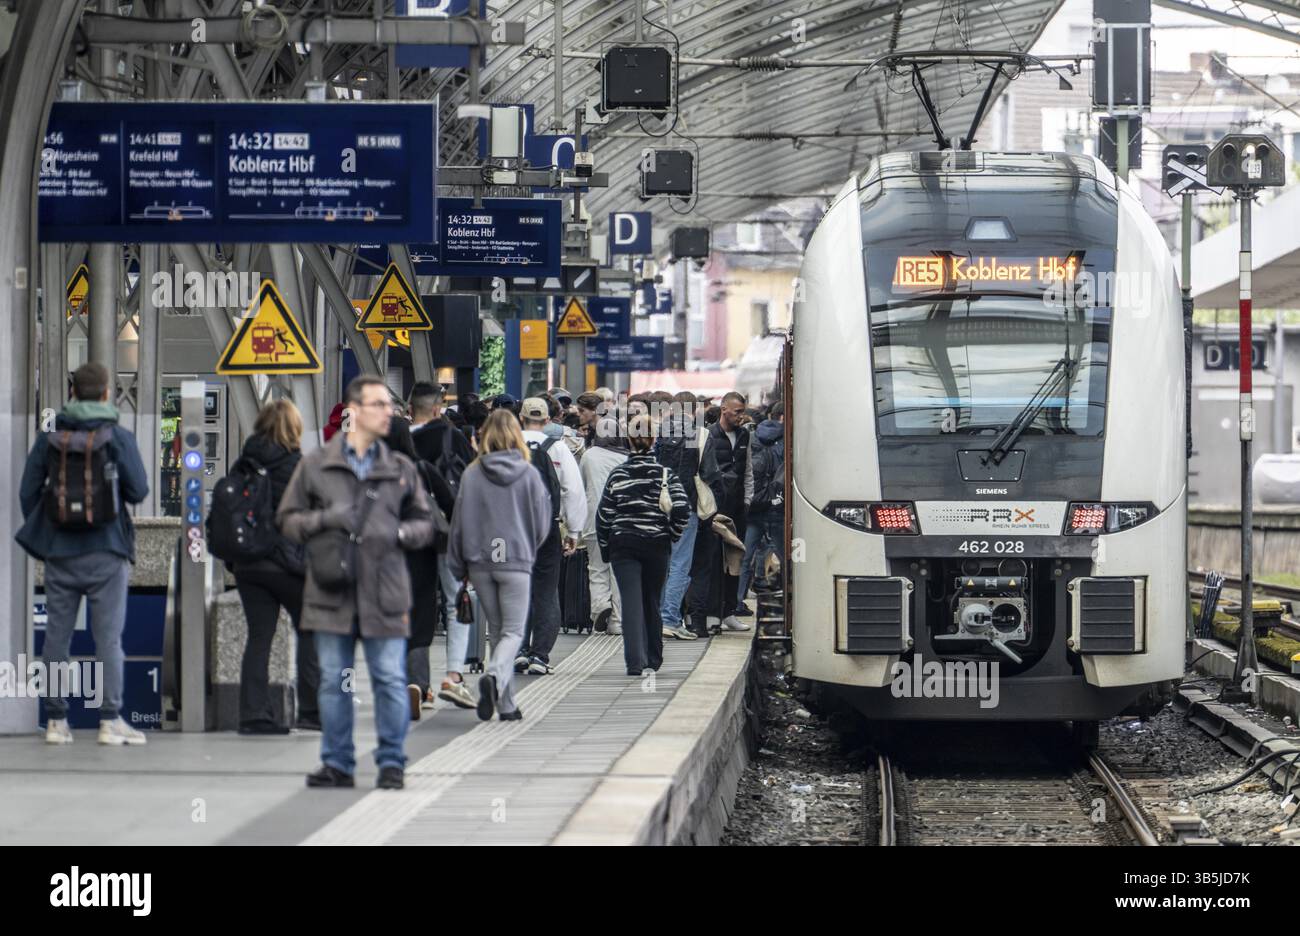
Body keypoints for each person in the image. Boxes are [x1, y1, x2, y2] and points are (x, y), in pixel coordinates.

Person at [278, 375, 434, 791]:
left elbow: (426, 524)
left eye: (388, 405)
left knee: (388, 678)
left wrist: (399, 535)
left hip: (384, 590)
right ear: (355, 411)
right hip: (332, 588)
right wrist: (327, 521)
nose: (389, 412)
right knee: (333, 680)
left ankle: (392, 762)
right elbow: (288, 521)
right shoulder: (316, 465)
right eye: (379, 405)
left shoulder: (399, 469)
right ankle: (337, 762)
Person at [17, 362, 150, 746]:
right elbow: (139, 490)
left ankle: (56, 722)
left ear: (72, 393)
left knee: (57, 638)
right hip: (107, 551)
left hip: (60, 553)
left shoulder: (50, 438)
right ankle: (110, 721)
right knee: (108, 638)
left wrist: (52, 528)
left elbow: (28, 491)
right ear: (107, 393)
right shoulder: (118, 437)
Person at [447, 409, 552, 722]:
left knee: (496, 631)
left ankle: (506, 704)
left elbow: (459, 523)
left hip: (480, 563)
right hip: (515, 561)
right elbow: (542, 521)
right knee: (514, 633)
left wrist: (457, 564)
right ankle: (493, 676)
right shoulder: (528, 473)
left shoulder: (472, 473)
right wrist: (528, 547)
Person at [231, 399, 320, 734]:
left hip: (249, 565)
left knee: (259, 639)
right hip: (292, 565)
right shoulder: (302, 467)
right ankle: (311, 711)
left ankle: (254, 715)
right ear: (295, 429)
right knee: (309, 633)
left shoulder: (243, 465)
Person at [596, 415, 691, 675]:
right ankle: (653, 658)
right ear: (653, 440)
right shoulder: (665, 474)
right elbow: (682, 508)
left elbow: (604, 515)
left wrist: (605, 548)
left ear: (629, 439)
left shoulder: (618, 474)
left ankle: (634, 662)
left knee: (630, 601)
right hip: (656, 545)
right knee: (651, 599)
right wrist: (670, 534)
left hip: (623, 544)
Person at [409, 382, 477, 710]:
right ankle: (453, 676)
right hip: (448, 532)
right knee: (456, 603)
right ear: (438, 409)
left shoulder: (399, 440)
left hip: (409, 534)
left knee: (415, 606)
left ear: (411, 409)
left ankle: (416, 683)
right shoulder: (453, 438)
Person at [515, 397, 586, 675]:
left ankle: (517, 650)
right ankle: (539, 656)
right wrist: (574, 531)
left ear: (521, 418)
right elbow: (573, 491)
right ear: (547, 421)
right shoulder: (557, 448)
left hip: (513, 530)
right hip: (547, 528)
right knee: (546, 591)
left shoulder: (507, 445)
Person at [688, 390, 753, 636]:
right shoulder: (710, 436)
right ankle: (711, 613)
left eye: (742, 412)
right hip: (715, 508)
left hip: (737, 507)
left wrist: (747, 500)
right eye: (737, 412)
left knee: (735, 559)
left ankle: (729, 611)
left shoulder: (745, 435)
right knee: (713, 561)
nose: (741, 417)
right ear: (724, 409)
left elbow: (747, 471)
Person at [656, 391, 702, 641]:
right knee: (680, 564)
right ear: (694, 410)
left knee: (663, 562)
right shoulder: (696, 432)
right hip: (687, 506)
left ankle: (658, 616)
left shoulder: (658, 433)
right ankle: (670, 618)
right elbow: (704, 470)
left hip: (661, 504)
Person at [580, 417, 627, 634]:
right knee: (618, 572)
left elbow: (580, 486)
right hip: (619, 521)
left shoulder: (588, 456)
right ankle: (617, 621)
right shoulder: (625, 459)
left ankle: (600, 607)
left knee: (597, 567)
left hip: (593, 520)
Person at [737, 401, 785, 613]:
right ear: (783, 417)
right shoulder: (787, 440)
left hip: (754, 506)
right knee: (784, 555)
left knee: (743, 556)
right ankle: (783, 600)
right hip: (777, 505)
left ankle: (736, 603)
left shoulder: (752, 437)